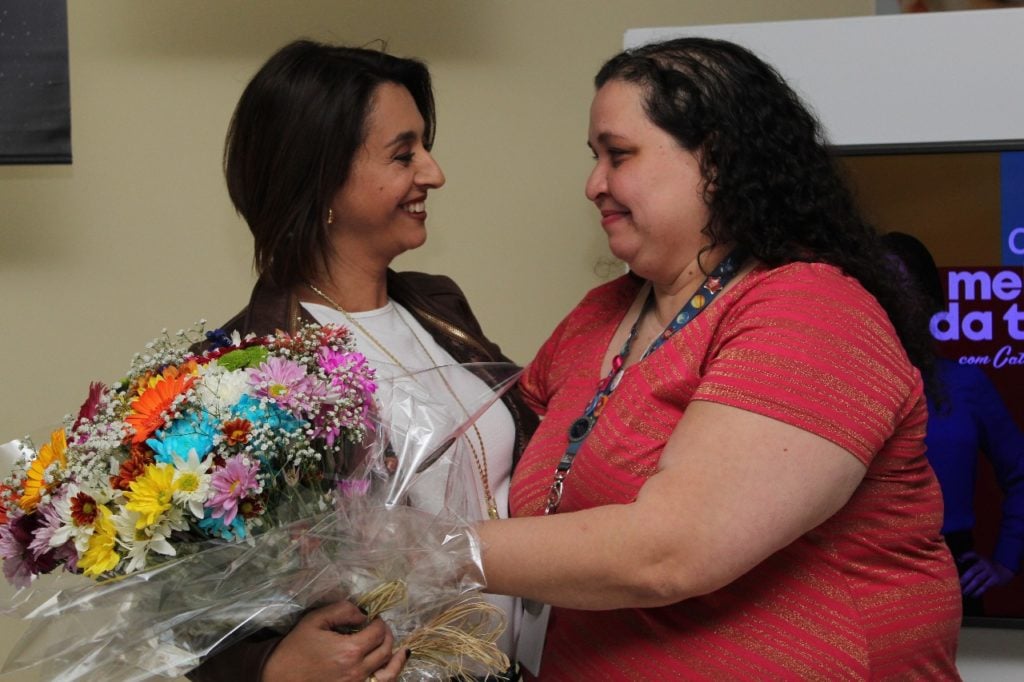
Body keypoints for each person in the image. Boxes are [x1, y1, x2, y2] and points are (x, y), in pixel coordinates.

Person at [476, 37, 962, 679]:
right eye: (594, 158)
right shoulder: (598, 316)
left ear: (718, 160)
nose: (594, 185)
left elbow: (672, 552)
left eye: (618, 155)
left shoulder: (813, 308)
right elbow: (495, 456)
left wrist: (428, 552)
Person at [187, 39, 537, 682]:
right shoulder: (237, 372)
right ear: (319, 178)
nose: (433, 173)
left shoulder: (439, 305)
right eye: (404, 154)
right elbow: (189, 605)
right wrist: (268, 668)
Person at [884, 231, 1024, 616]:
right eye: (877, 286)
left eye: (901, 285)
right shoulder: (845, 384)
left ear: (929, 300)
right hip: (866, 575)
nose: (891, 300)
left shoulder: (966, 383)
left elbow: (1021, 473)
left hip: (952, 571)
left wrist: (1005, 561)